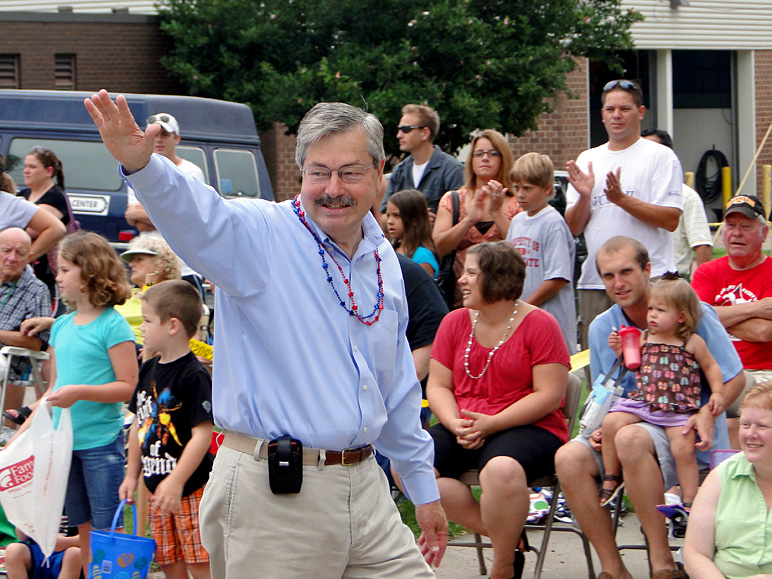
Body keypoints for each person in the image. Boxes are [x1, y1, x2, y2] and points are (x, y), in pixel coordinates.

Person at [85, 90, 447, 578]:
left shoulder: (381, 258)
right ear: (302, 175)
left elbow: (396, 380)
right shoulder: (259, 236)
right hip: (276, 500)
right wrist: (144, 167)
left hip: (367, 493)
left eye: (350, 172)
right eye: (319, 172)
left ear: (380, 172)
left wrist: (423, 487)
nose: (332, 187)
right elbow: (198, 214)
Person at [554, 235, 745, 579]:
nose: (618, 283)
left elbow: (734, 379)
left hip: (683, 429)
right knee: (568, 457)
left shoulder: (692, 316)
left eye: (626, 271)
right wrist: (598, 427)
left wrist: (707, 412)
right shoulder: (603, 327)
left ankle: (662, 564)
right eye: (608, 276)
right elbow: (606, 390)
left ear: (647, 270)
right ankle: (613, 569)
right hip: (627, 419)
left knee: (630, 438)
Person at [426, 241, 569, 579]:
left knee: (500, 471)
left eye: (471, 272)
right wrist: (454, 422)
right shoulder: (454, 322)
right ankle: (506, 535)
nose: (461, 279)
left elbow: (549, 395)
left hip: (528, 424)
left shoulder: (540, 324)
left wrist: (493, 423)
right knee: (411, 463)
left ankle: (503, 565)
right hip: (464, 422)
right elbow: (438, 386)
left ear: (497, 279)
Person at [8, 231, 137, 578]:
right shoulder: (62, 325)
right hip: (63, 445)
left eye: (65, 270)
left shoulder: (113, 325)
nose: (58, 277)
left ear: (90, 272)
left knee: (108, 530)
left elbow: (128, 386)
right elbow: (52, 391)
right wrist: (18, 437)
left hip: (100, 444)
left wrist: (80, 392)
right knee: (80, 525)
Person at [565, 79, 683, 350]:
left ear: (640, 112)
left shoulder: (660, 157)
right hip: (597, 282)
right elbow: (573, 227)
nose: (616, 115)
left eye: (624, 109)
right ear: (602, 114)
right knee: (600, 368)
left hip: (649, 281)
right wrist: (584, 196)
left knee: (655, 362)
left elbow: (670, 219)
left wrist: (622, 200)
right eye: (610, 109)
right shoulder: (587, 159)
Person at [600, 278, 725, 510]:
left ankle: (690, 501)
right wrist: (620, 350)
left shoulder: (691, 342)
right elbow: (633, 365)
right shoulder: (643, 337)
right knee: (610, 422)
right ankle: (611, 476)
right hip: (645, 403)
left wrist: (717, 392)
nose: (652, 315)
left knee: (683, 449)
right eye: (650, 309)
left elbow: (711, 367)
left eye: (660, 310)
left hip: (678, 409)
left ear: (681, 316)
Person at [121, 280, 213, 579]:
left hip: (191, 487)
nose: (142, 327)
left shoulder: (195, 374)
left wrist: (176, 481)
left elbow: (202, 434)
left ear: (172, 325)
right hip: (155, 486)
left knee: (199, 563)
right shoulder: (149, 368)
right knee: (169, 560)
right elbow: (140, 423)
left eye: (147, 321)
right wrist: (131, 474)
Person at [692, 194, 772, 441]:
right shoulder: (706, 272)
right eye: (730, 225)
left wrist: (713, 314)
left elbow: (765, 332)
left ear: (764, 233)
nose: (736, 233)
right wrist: (755, 308)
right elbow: (693, 317)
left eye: (745, 227)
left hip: (761, 374)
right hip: (714, 371)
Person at [684, 381, 772, 578]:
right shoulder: (722, 477)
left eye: (762, 426)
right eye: (746, 425)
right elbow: (695, 553)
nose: (750, 434)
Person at [433, 129, 520, 307]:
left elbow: (520, 249)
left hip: (504, 299)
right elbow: (438, 247)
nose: (485, 158)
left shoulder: (517, 202)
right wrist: (468, 220)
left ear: (503, 158)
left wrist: (497, 213)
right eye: (479, 153)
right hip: (458, 301)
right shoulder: (453, 199)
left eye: (492, 153)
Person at [124, 112, 207, 296]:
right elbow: (134, 219)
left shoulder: (191, 172)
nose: (159, 140)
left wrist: (150, 213)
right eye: (154, 135)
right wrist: (167, 212)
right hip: (150, 268)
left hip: (184, 267)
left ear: (176, 138)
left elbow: (186, 218)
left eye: (165, 135)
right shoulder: (138, 172)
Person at [507, 152, 576, 353]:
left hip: (550, 317)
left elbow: (557, 278)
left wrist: (525, 307)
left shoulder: (553, 223)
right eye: (517, 187)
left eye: (527, 188)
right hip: (522, 316)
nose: (520, 194)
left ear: (546, 188)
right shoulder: (518, 221)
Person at [0, 228, 51, 438]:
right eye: (6, 250)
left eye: (20, 253)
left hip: (9, 359)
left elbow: (36, 344)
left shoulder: (36, 290)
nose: (12, 258)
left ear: (29, 257)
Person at [641, 129, 712, 279]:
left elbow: (702, 245)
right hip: (637, 279)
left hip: (672, 280)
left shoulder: (686, 197)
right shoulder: (631, 194)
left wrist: (703, 288)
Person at [377, 104, 463, 220]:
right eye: (399, 129)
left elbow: (461, 216)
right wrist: (412, 217)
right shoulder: (399, 171)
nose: (399, 135)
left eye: (406, 129)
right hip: (404, 239)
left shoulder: (452, 170)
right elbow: (383, 218)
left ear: (425, 133)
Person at [17, 146, 74, 305]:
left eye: (32, 167)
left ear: (49, 171)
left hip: (46, 275)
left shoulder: (55, 197)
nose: (26, 171)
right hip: (22, 274)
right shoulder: (23, 195)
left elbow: (28, 230)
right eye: (25, 166)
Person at [385, 189, 440, 276]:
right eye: (388, 215)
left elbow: (422, 288)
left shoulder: (423, 257)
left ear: (415, 220)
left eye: (397, 215)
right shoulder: (390, 250)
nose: (390, 221)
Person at [4, 530, 81, 579]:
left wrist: (66, 542)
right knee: (13, 550)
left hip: (69, 550)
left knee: (74, 554)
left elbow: (88, 535)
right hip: (38, 550)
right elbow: (22, 537)